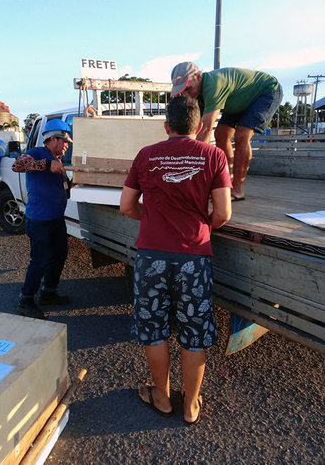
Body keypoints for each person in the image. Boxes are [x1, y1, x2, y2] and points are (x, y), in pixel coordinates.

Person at [120, 95, 232, 424]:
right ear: (199, 127)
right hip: (193, 259)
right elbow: (223, 212)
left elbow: (126, 206)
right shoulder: (214, 156)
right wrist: (199, 225)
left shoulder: (146, 155)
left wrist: (153, 221)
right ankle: (191, 405)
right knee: (194, 333)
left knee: (155, 331)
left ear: (166, 126)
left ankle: (163, 398)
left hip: (151, 256)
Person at [170, 62, 283, 200]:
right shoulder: (196, 95)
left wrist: (193, 169)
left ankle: (237, 190)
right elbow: (194, 130)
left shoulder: (213, 85)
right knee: (221, 134)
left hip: (265, 92)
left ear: (199, 76)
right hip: (236, 100)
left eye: (188, 88)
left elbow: (205, 129)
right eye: (182, 92)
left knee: (242, 135)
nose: (186, 95)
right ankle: (226, 184)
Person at [12, 118, 71, 319]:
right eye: (64, 141)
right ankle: (25, 300)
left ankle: (48, 292)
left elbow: (60, 187)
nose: (66, 146)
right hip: (40, 220)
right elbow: (18, 165)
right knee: (40, 260)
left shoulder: (57, 159)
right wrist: (46, 164)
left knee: (60, 254)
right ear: (53, 138)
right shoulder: (39, 153)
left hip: (55, 218)